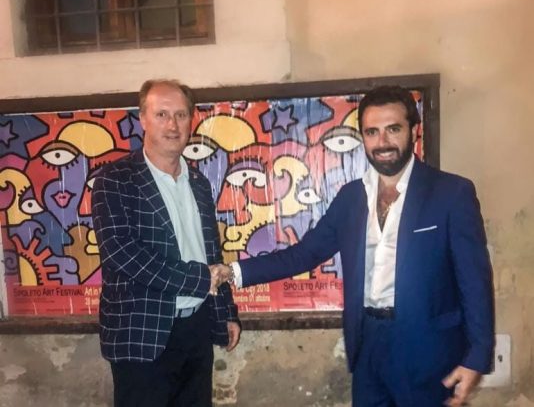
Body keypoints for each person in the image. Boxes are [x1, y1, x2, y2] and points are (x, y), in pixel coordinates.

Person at [211, 86, 494, 407]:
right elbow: (304, 254)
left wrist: (477, 355)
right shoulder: (351, 198)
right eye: (372, 132)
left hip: (429, 349)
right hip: (368, 345)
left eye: (393, 129)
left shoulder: (451, 193)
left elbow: (475, 280)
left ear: (414, 131)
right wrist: (232, 271)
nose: (382, 142)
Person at [92, 79, 241, 407]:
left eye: (181, 115)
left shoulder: (198, 183)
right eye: (161, 114)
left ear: (191, 120)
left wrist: (225, 312)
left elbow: (210, 251)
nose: (172, 125)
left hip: (196, 328)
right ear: (143, 119)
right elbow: (123, 253)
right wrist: (198, 279)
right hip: (141, 333)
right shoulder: (115, 179)